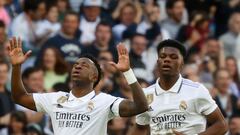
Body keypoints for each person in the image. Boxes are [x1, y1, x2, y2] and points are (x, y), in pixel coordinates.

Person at [8, 37, 148, 135]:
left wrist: (128, 72)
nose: (78, 66)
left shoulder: (105, 101)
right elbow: (19, 97)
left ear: (94, 76)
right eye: (76, 64)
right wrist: (16, 67)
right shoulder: (56, 99)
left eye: (84, 65)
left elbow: (141, 106)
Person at [131, 39, 228, 135]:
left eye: (173, 57)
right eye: (163, 56)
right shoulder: (146, 94)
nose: (167, 60)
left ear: (182, 64)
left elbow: (222, 125)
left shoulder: (196, 90)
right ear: (158, 62)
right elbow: (140, 128)